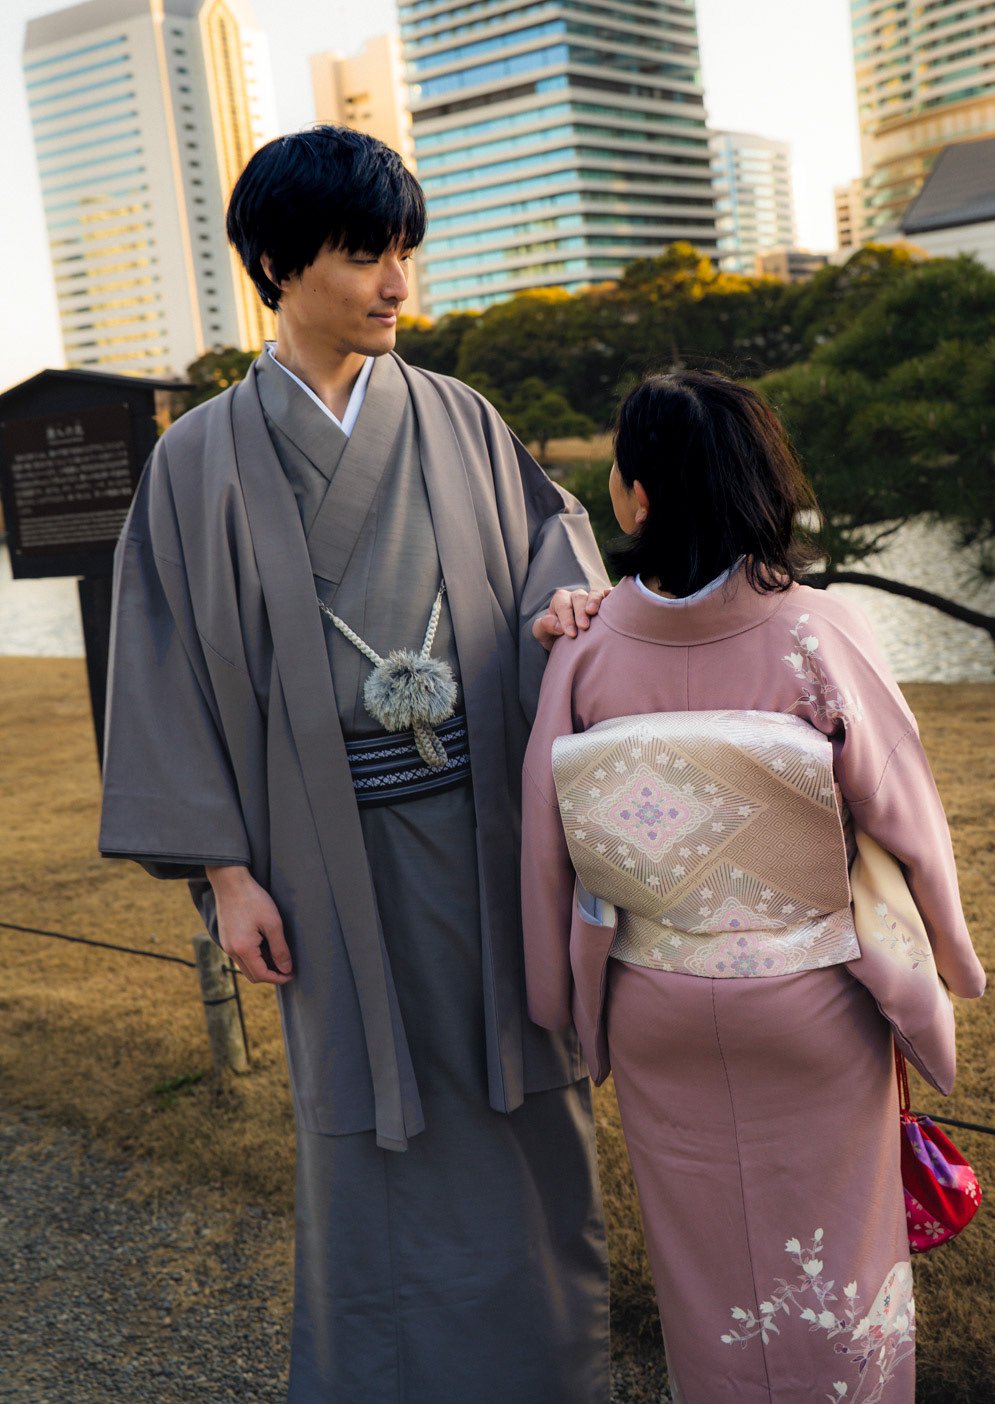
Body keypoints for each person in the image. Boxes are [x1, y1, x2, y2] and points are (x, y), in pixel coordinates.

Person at [99, 126, 612, 1404]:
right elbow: (157, 672)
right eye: (365, 254)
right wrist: (226, 876)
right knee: (361, 1125)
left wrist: (572, 620)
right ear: (276, 262)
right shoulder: (196, 459)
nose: (397, 283)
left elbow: (562, 565)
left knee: (526, 1095)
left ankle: (549, 1371)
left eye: (404, 252)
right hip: (324, 864)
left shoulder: (461, 419)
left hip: (487, 837)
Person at [521, 370, 986, 1404]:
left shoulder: (585, 647)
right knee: (840, 1268)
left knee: (708, 1278)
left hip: (656, 1005)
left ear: (632, 497)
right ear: (762, 486)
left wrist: (558, 999)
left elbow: (545, 842)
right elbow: (905, 813)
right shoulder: (816, 629)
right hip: (807, 998)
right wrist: (949, 951)